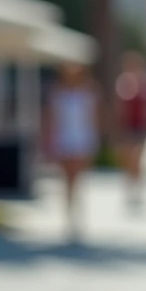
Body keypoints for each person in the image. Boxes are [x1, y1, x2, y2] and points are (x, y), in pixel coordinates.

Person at [46, 63, 100, 240]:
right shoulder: (58, 93)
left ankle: (77, 214)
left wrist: (93, 142)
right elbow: (51, 119)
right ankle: (68, 215)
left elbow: (92, 119)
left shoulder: (88, 93)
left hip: (82, 140)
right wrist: (49, 142)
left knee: (78, 179)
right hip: (64, 140)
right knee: (66, 180)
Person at [115, 52, 146, 210]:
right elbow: (120, 106)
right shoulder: (123, 82)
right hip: (127, 126)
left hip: (141, 126)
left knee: (139, 158)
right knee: (128, 159)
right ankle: (129, 187)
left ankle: (138, 189)